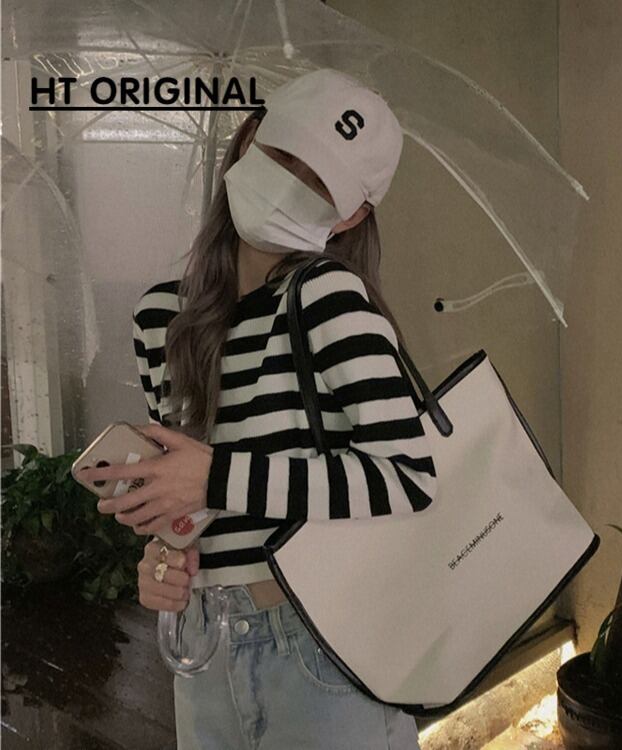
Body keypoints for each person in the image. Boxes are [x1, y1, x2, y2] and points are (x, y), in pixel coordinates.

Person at [84, 68, 437, 749]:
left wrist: (215, 476)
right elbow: (188, 501)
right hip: (202, 642)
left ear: (352, 215)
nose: (290, 182)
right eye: (283, 154)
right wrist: (162, 554)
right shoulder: (159, 314)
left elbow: (408, 475)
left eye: (321, 182)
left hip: (319, 646)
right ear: (249, 137)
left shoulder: (329, 297)